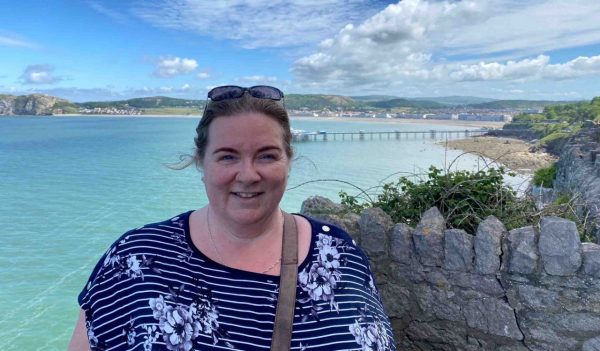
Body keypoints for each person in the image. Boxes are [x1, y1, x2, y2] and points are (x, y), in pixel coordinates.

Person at [68, 85, 396, 351]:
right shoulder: (135, 258)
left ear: (288, 161)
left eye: (266, 155)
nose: (248, 174)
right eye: (228, 156)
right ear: (202, 163)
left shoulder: (338, 252)